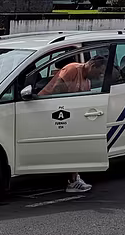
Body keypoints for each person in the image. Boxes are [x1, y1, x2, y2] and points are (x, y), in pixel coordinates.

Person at [38, 51, 107, 194]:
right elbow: (57, 92)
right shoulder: (72, 69)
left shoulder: (87, 81)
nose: (99, 76)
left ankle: (74, 178)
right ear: (92, 66)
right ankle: (73, 180)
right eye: (99, 72)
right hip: (48, 108)